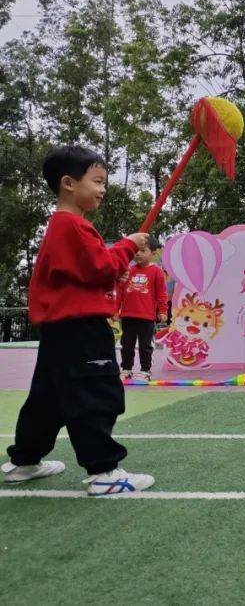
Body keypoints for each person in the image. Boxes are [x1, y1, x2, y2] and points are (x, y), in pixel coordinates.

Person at [2, 146, 156, 495]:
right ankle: (104, 472)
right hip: (81, 328)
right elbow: (100, 267)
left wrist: (114, 267)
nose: (103, 189)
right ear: (68, 183)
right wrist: (128, 246)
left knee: (48, 399)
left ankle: (24, 461)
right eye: (97, 181)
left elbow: (89, 274)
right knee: (95, 393)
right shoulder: (72, 226)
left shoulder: (62, 226)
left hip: (61, 328)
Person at [118, 236, 168, 381]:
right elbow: (120, 291)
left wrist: (163, 311)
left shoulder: (157, 271)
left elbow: (161, 293)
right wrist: (115, 310)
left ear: (153, 253)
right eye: (136, 250)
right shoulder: (128, 270)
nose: (138, 253)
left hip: (146, 317)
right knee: (126, 345)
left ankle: (145, 371)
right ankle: (126, 369)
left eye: (142, 250)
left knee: (145, 346)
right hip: (127, 315)